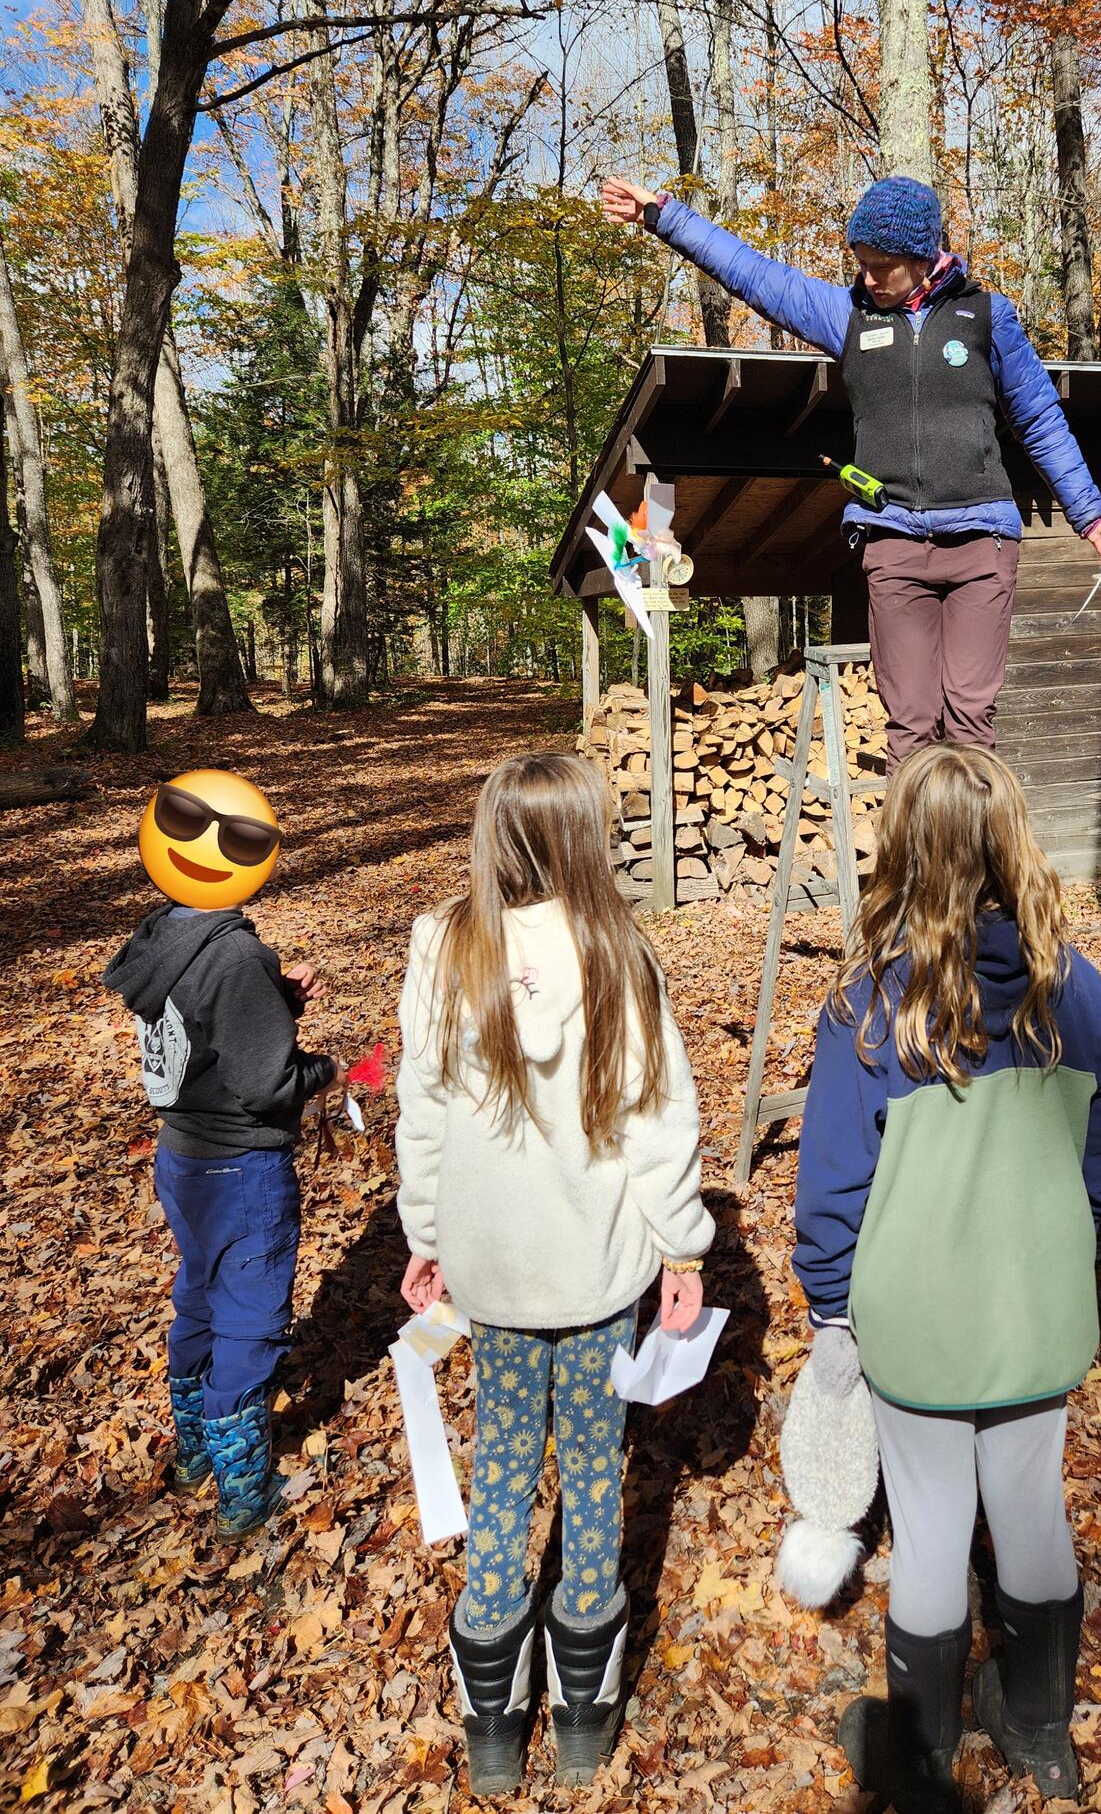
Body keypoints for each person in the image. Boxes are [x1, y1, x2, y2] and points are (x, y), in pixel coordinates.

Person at [793, 744, 1101, 1809]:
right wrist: (1067, 1227)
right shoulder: (1076, 991)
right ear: (1012, 842)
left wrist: (828, 1301)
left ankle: (922, 1749)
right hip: (1033, 1297)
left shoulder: (869, 1002)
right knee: (1029, 1501)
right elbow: (1098, 1143)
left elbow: (831, 1180)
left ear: (902, 847)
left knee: (932, 1519)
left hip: (915, 1305)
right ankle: (1037, 1728)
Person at [394, 752, 714, 1799]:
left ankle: (493, 1725)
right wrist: (683, 1245)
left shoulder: (446, 943)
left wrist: (427, 1231)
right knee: (591, 1471)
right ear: (583, 839)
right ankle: (580, 1712)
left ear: (493, 834)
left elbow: (424, 1105)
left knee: (499, 1477)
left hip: (493, 1269)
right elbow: (656, 1120)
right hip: (590, 1271)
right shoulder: (615, 948)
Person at [601, 172, 1101, 771]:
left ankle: (977, 861)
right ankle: (918, 864)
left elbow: (1039, 419)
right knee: (911, 725)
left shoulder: (987, 318)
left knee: (970, 720)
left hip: (982, 543)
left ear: (925, 258)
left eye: (882, 267)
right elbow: (754, 274)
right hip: (895, 543)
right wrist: (665, 216)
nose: (868, 278)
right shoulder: (847, 315)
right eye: (861, 263)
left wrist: (1089, 512)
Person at [103, 772, 343, 1542]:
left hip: (182, 1157)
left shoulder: (168, 936)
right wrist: (325, 1068)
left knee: (199, 1292)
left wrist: (280, 1000)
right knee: (249, 1315)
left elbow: (206, 1032)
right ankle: (244, 1484)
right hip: (241, 1167)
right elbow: (266, 1083)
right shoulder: (234, 956)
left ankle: (193, 1450)